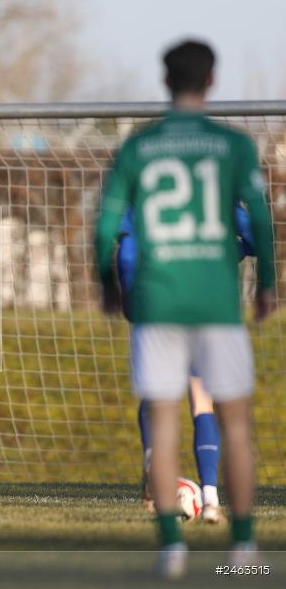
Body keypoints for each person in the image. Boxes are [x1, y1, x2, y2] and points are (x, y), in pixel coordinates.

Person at [95, 40, 276, 578]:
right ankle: (241, 545)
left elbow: (106, 226)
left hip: (156, 298)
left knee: (164, 415)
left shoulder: (138, 148)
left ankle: (171, 545)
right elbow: (260, 222)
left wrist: (107, 283)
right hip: (215, 303)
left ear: (164, 80)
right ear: (212, 81)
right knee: (235, 421)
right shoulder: (233, 146)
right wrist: (267, 280)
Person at [119, 204, 256, 524]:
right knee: (203, 398)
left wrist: (127, 296)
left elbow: (126, 252)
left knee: (157, 395)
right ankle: (210, 499)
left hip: (157, 296)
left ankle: (153, 462)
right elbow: (254, 239)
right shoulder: (216, 180)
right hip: (204, 299)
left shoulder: (148, 178)